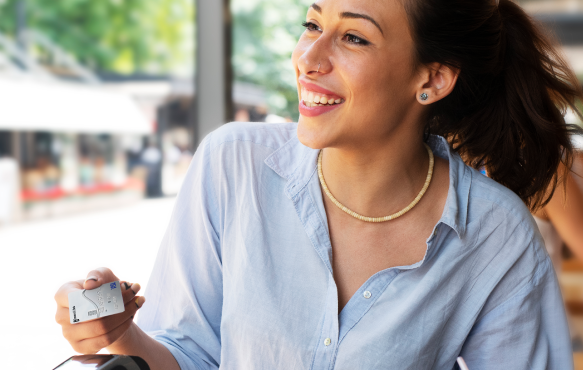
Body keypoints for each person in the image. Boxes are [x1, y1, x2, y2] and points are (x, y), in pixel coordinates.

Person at [54, 0, 583, 369]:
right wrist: (119, 334)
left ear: (431, 79)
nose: (307, 59)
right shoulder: (233, 165)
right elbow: (192, 356)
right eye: (312, 24)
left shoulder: (494, 234)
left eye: (353, 36)